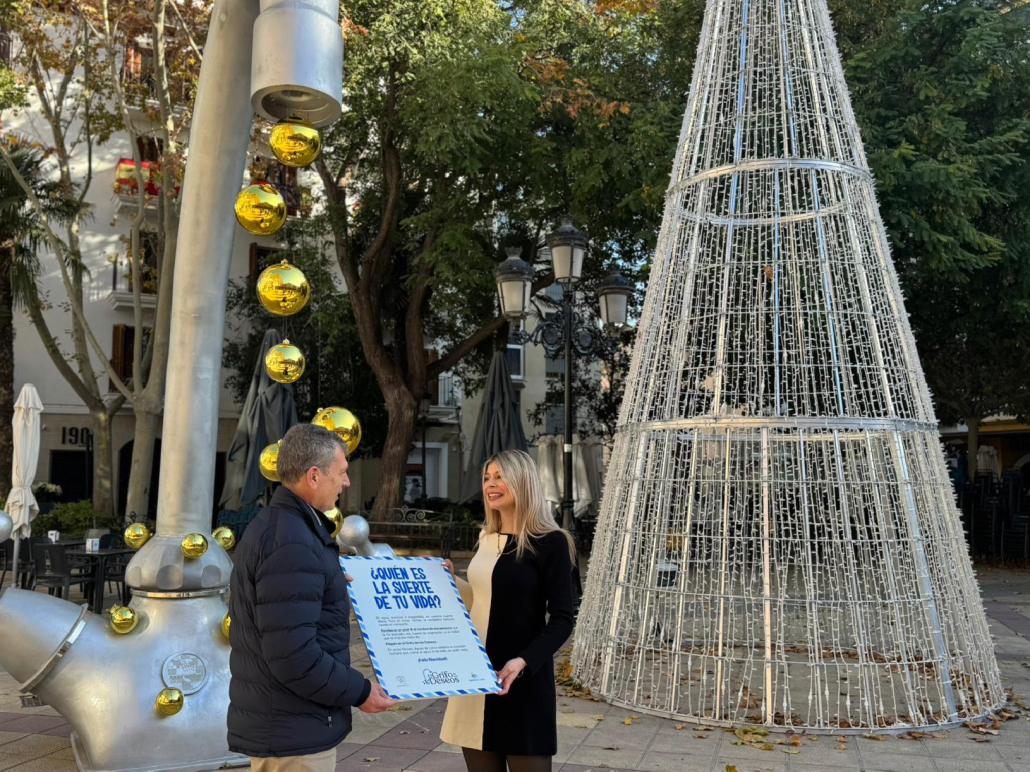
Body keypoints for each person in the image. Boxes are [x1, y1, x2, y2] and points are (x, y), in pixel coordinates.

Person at [227, 423, 396, 771]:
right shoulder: (292, 541)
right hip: (293, 733)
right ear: (314, 476)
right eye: (342, 472)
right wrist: (360, 691)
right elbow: (294, 657)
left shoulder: (287, 527)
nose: (346, 482)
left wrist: (329, 580)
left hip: (288, 723)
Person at [440, 449, 576, 772]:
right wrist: (450, 581)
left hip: (522, 679)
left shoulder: (552, 542)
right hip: (476, 676)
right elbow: (481, 599)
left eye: (500, 477)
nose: (490, 484)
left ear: (522, 481)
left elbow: (562, 620)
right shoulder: (486, 537)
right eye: (487, 477)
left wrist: (523, 661)